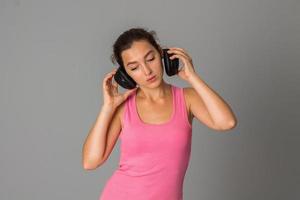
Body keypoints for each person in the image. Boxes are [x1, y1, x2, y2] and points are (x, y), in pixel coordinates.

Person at [82, 27, 237, 200]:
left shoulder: (187, 99)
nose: (147, 71)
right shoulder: (123, 107)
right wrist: (107, 108)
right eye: (134, 68)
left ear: (161, 54)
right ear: (125, 75)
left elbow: (226, 122)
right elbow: (90, 161)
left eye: (150, 58)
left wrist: (192, 77)